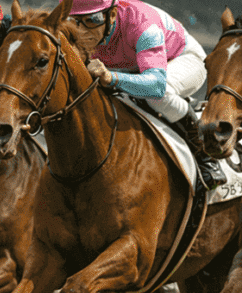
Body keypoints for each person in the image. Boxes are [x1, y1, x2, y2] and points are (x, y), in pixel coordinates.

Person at [66, 0, 226, 190]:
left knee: (157, 96)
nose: (82, 31)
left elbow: (156, 86)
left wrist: (111, 78)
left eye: (92, 20)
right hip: (135, 66)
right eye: (74, 20)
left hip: (181, 59)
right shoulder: (75, 30)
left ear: (112, 15)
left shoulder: (141, 24)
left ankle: (205, 156)